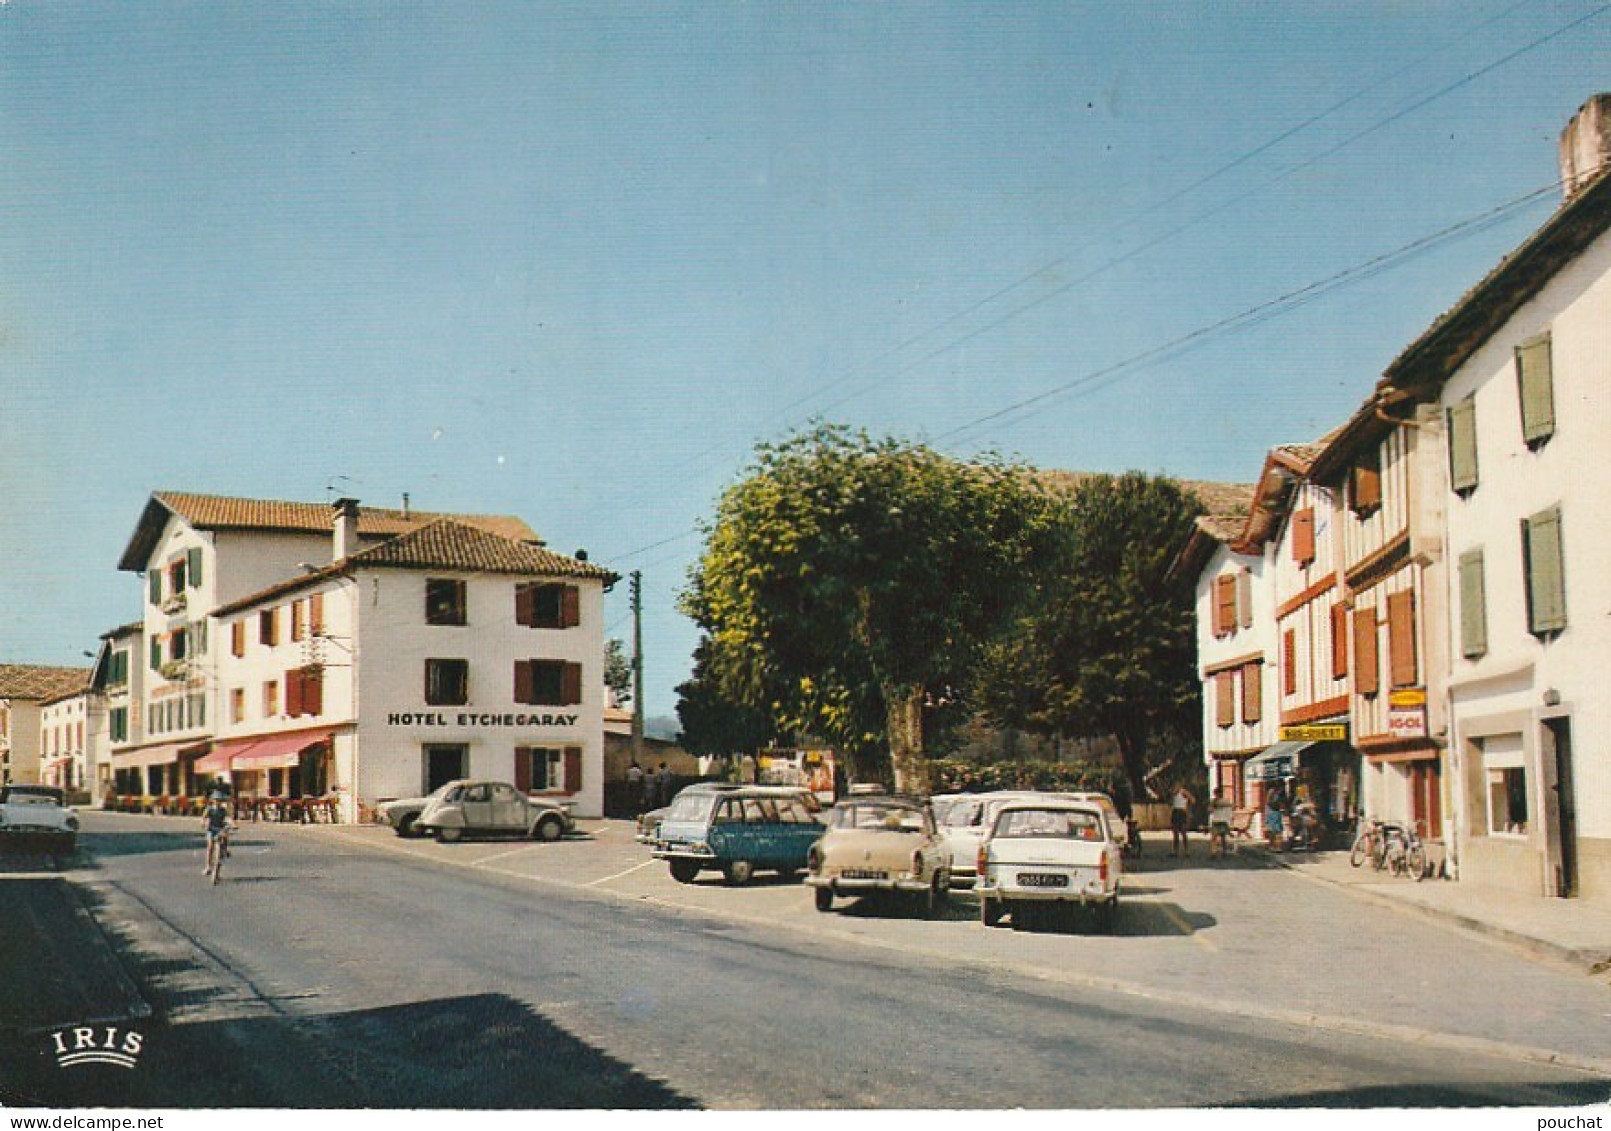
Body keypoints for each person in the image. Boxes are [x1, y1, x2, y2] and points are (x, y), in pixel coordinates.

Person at [202, 795, 232, 878]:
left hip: (220, 829)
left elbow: (229, 818)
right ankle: (208, 866)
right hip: (211, 829)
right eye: (216, 799)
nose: (217, 801)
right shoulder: (209, 809)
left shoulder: (223, 810)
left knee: (225, 836)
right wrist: (203, 823)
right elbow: (203, 818)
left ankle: (225, 850)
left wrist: (234, 824)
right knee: (210, 846)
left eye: (219, 800)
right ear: (212, 800)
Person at [1170, 783, 1194, 857]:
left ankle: (1186, 851)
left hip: (1181, 811)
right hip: (1175, 811)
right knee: (1175, 833)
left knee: (1183, 832)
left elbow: (1192, 800)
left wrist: (1187, 808)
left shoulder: (1183, 791)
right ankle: (1175, 851)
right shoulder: (1173, 793)